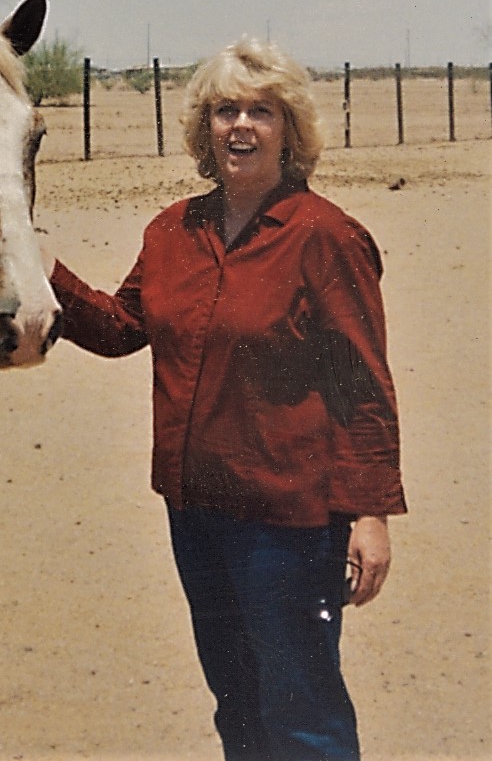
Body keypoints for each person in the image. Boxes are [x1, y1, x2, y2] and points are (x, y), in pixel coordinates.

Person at [46, 38, 406, 761]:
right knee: (235, 699)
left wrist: (371, 514)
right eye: (224, 110)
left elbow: (363, 384)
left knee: (302, 705)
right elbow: (122, 329)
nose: (240, 126)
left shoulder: (325, 237)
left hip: (289, 521)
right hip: (195, 510)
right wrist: (39, 270)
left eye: (261, 111)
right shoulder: (174, 230)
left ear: (289, 129)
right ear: (203, 127)